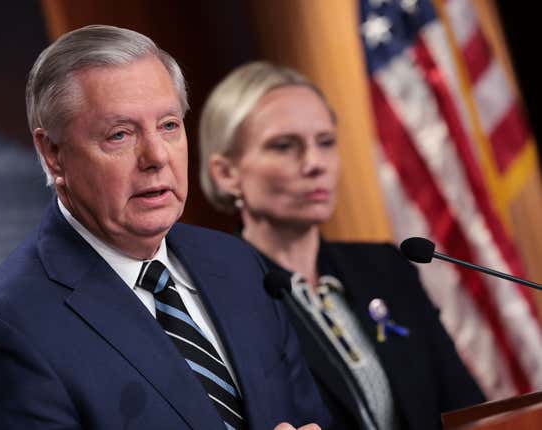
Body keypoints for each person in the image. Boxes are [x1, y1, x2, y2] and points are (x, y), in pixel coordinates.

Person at [0, 26, 330, 430]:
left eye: (168, 126)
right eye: (120, 135)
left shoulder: (238, 263)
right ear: (53, 153)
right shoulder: (3, 331)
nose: (156, 157)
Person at [199, 61, 485, 430]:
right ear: (226, 174)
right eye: (285, 146)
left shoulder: (386, 266)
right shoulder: (219, 301)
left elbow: (465, 408)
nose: (315, 163)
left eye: (326, 142)